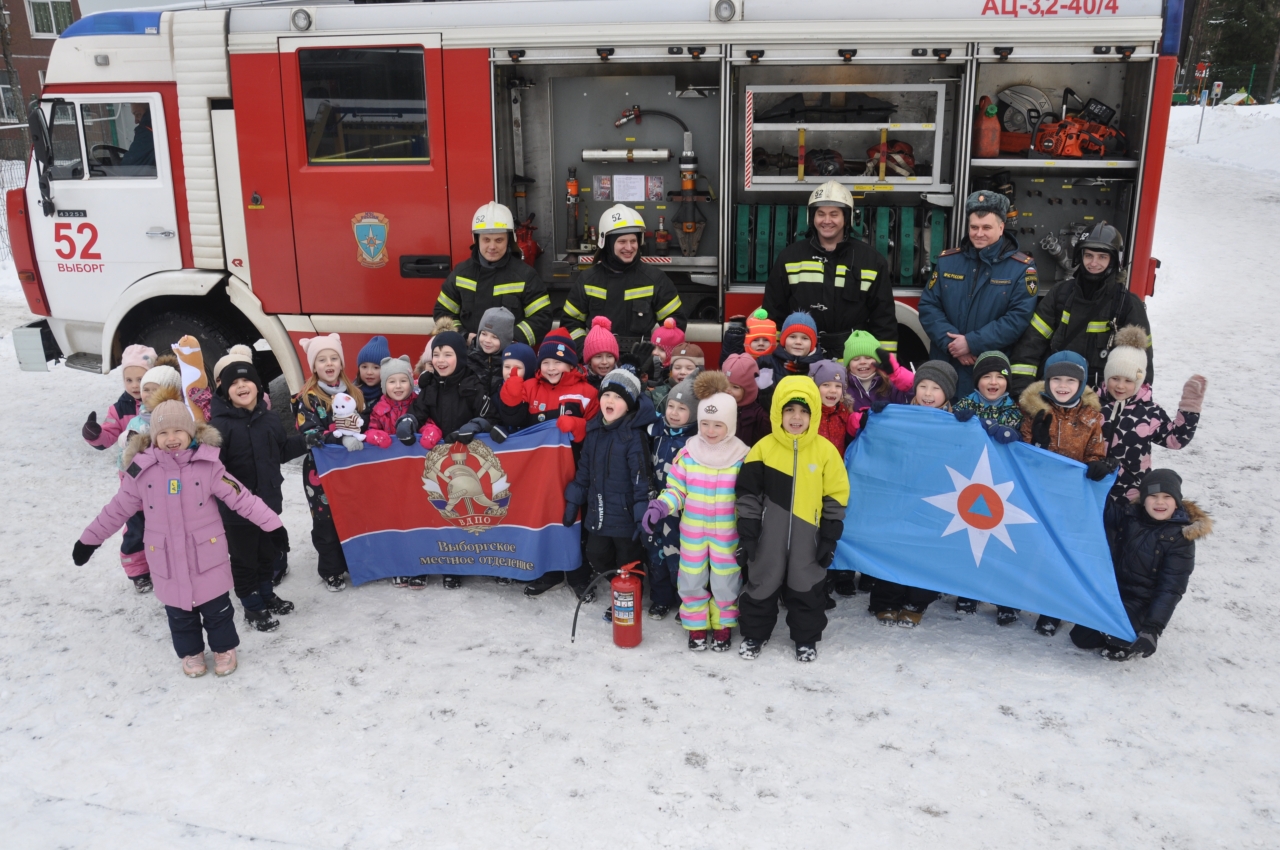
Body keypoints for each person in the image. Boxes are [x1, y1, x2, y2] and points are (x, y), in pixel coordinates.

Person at [73, 400, 283, 678]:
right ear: (154, 437)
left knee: (218, 611)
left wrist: (274, 526)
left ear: (191, 433)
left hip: (207, 558)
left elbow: (241, 497)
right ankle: (191, 652)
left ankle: (224, 649)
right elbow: (116, 510)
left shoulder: (208, 466)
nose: (171, 438)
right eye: (163, 433)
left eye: (178, 431)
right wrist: (89, 540)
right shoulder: (140, 472)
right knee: (179, 615)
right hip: (167, 561)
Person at [735, 376, 849, 662]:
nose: (796, 418)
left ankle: (806, 639)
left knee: (807, 589)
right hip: (767, 539)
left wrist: (829, 536)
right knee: (761, 585)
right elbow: (748, 494)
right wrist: (748, 533)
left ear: (814, 413)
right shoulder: (763, 449)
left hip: (808, 539)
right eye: (789, 411)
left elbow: (835, 495)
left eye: (804, 411)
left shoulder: (825, 451)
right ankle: (754, 635)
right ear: (778, 413)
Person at [642, 372, 749, 652]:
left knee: (725, 580)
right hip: (692, 531)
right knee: (690, 578)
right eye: (704, 424)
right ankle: (696, 625)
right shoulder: (689, 454)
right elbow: (676, 489)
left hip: (727, 532)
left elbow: (748, 496)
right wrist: (661, 505)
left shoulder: (741, 457)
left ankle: (723, 623)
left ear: (730, 425)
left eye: (718, 425)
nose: (710, 431)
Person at [1019, 350, 1115, 636]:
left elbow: (1095, 450)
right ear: (1047, 382)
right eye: (1056, 379)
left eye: (1070, 380)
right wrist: (1035, 441)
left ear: (1081, 383)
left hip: (1070, 498)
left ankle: (1053, 610)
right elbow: (1020, 454)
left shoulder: (1091, 418)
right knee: (1030, 546)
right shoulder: (1033, 412)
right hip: (1037, 494)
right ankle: (1011, 600)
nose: (1063, 385)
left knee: (1061, 553)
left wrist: (1098, 464)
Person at [1070, 470, 1211, 661]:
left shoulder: (1180, 539)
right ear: (1143, 499)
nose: (1160, 502)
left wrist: (1152, 629)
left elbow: (1170, 589)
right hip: (1114, 594)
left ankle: (1131, 635)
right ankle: (1114, 628)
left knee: (1117, 638)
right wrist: (1098, 480)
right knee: (1081, 638)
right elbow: (1100, 506)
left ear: (1176, 501)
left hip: (1143, 602)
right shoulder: (1129, 516)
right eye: (1153, 496)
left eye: (1167, 497)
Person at [209, 357, 305, 632]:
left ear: (258, 386)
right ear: (225, 391)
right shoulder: (218, 427)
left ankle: (265, 594)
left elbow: (282, 451)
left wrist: (307, 441)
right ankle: (251, 605)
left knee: (268, 553)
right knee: (244, 558)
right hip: (236, 512)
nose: (241, 386)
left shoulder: (270, 419)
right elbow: (215, 473)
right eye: (234, 383)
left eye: (247, 380)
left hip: (268, 502)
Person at [397, 331, 495, 590]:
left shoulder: (475, 383)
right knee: (430, 512)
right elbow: (418, 411)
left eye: (447, 355)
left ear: (460, 357)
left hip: (466, 460)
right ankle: (425, 563)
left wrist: (475, 425)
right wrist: (407, 421)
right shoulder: (430, 385)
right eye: (436, 354)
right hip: (436, 459)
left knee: (459, 514)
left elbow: (490, 416)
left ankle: (455, 566)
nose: (440, 360)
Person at [1009, 221, 1153, 396]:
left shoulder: (1128, 305)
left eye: (1102, 257)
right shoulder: (1060, 295)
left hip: (1101, 403)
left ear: (1114, 260)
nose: (1094, 263)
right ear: (1079, 256)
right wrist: (1022, 392)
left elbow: (1140, 364)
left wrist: (1135, 405)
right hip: (1056, 395)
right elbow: (1030, 346)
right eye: (1088, 255)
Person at [918, 190, 1038, 397]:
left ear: (1001, 228)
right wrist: (953, 345)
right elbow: (929, 307)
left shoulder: (1021, 269)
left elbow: (1017, 319)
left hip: (987, 371)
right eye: (974, 227)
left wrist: (972, 343)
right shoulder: (948, 261)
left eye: (986, 227)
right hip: (945, 367)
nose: (978, 233)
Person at [864, 362, 956, 626]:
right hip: (900, 495)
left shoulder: (958, 421)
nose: (928, 393)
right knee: (895, 544)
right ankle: (886, 601)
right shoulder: (900, 415)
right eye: (923, 386)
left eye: (936, 388)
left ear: (947, 393)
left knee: (926, 549)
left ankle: (916, 601)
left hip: (937, 498)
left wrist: (979, 426)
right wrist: (877, 418)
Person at [762, 180, 896, 356]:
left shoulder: (871, 260)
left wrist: (885, 365)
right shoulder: (790, 257)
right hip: (801, 358)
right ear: (812, 217)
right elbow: (774, 312)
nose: (827, 221)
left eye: (834, 214)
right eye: (820, 214)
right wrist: (777, 358)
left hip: (852, 359)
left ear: (846, 218)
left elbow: (883, 319)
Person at [563, 369, 660, 606]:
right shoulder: (594, 431)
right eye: (607, 395)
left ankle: (628, 599)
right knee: (596, 554)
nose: (610, 401)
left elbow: (641, 478)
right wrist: (575, 498)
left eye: (618, 398)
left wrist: (641, 516)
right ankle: (620, 584)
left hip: (625, 517)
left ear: (628, 405)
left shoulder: (633, 437)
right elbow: (584, 469)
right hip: (599, 512)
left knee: (629, 559)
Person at [951, 350, 1024, 622]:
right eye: (986, 376)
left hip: (1001, 487)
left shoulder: (1015, 410)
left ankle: (1005, 598)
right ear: (976, 380)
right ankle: (968, 589)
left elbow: (1022, 443)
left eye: (1000, 376)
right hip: (970, 484)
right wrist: (957, 423)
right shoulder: (963, 406)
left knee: (1000, 542)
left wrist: (1015, 434)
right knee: (970, 538)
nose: (993, 382)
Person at [1098, 326, 1205, 503]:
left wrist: (1190, 406)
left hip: (1131, 495)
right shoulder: (1092, 405)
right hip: (1092, 489)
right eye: (1115, 378)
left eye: (1128, 380)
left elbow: (1176, 440)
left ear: (1139, 381)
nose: (1120, 386)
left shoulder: (1149, 412)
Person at [292, 334, 366, 592]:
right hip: (320, 472)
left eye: (334, 358)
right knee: (326, 522)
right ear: (314, 366)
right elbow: (308, 429)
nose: (329, 363)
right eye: (322, 359)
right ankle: (331, 569)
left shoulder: (354, 392)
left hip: (352, 469)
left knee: (353, 516)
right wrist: (336, 434)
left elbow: (364, 423)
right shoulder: (308, 397)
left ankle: (354, 563)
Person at [81, 343, 156, 591]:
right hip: (133, 483)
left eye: (141, 379)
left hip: (162, 482)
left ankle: (164, 565)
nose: (135, 385)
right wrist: (95, 435)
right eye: (129, 379)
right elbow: (109, 436)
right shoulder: (120, 408)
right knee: (136, 528)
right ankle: (138, 570)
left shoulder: (164, 404)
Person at [560, 204, 685, 352]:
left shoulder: (654, 279)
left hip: (641, 362)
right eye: (622, 242)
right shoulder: (588, 280)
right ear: (607, 243)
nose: (629, 247)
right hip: (600, 361)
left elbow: (675, 324)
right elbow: (570, 323)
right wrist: (588, 351)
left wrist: (656, 353)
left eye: (633, 241)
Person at [433, 202, 551, 348]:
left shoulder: (525, 276)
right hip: (469, 357)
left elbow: (542, 319)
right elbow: (443, 312)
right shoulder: (461, 274)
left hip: (509, 359)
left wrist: (506, 339)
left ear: (509, 239)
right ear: (476, 239)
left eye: (499, 240)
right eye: (486, 240)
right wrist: (463, 336)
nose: (492, 246)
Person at [644, 374, 699, 620]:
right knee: (657, 555)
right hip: (657, 507)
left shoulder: (696, 442)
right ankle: (661, 598)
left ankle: (685, 600)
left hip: (683, 512)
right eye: (671, 406)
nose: (674, 413)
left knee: (682, 557)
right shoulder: (656, 432)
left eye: (683, 408)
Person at [757, 311, 825, 413]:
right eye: (792, 337)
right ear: (783, 339)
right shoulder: (766, 363)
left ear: (813, 343)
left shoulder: (821, 368)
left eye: (805, 338)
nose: (798, 342)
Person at [842, 330, 913, 413]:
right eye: (856, 359)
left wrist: (897, 374)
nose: (862, 362)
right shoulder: (843, 388)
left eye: (868, 358)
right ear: (848, 365)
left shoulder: (891, 384)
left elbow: (914, 396)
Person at [810, 359, 859, 454]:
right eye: (826, 385)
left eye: (838, 386)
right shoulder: (807, 413)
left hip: (837, 465)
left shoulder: (845, 412)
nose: (833, 390)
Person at [721, 353, 770, 448]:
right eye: (724, 384)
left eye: (735, 387)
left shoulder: (759, 415)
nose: (728, 390)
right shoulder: (717, 405)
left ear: (749, 390)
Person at [469, 306, 515, 398]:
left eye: (494, 337)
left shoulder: (511, 362)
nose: (487, 340)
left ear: (505, 340)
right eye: (484, 334)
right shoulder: (468, 358)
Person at [650, 343, 703, 413]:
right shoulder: (657, 395)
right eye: (677, 368)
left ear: (699, 371)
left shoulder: (705, 396)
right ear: (671, 370)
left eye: (689, 368)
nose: (682, 372)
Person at [582, 316, 620, 390]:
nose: (604, 362)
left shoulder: (622, 380)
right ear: (589, 360)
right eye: (598, 356)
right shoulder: (581, 380)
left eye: (609, 356)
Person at [354, 336, 389, 413]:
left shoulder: (390, 394)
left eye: (376, 367)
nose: (369, 372)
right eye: (364, 367)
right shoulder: (351, 392)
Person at [120, 103, 156, 168]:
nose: (135, 121)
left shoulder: (147, 132)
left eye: (138, 115)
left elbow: (127, 168)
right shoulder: (155, 130)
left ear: (150, 112)